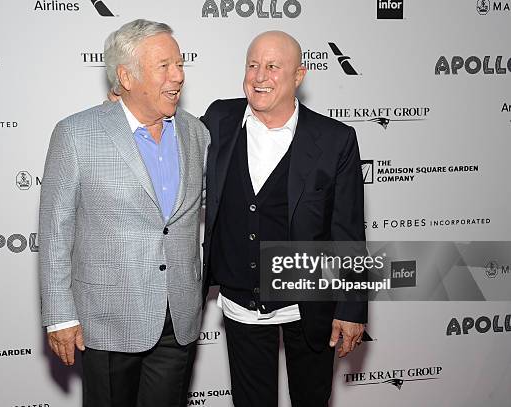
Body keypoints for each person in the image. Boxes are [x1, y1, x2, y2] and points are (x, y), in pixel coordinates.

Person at [39, 19, 209, 407]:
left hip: (177, 319)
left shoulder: (196, 132)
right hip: (108, 319)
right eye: (164, 66)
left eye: (180, 64)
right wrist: (60, 316)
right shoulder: (76, 134)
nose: (178, 76)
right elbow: (54, 232)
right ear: (126, 76)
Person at [201, 31, 367, 407]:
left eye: (273, 67)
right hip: (241, 299)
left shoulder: (335, 138)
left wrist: (352, 307)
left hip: (309, 302)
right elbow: (166, 135)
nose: (260, 76)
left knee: (311, 399)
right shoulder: (219, 119)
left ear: (299, 76)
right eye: (253, 65)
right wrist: (125, 105)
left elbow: (348, 229)